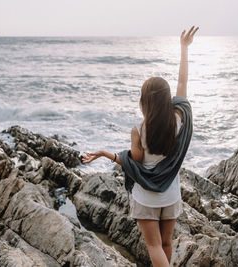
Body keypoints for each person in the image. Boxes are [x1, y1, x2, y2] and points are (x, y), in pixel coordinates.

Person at [82, 25, 199, 267]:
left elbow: (133, 161)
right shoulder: (179, 120)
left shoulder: (139, 130)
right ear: (168, 99)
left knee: (153, 247)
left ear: (144, 101)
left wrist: (106, 154)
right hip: (171, 193)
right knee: (166, 245)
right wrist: (184, 49)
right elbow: (182, 83)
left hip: (146, 198)